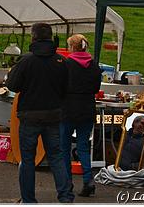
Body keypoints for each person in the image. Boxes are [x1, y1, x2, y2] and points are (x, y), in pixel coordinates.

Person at [6, 23, 73, 204]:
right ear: (51, 38)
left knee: (27, 159)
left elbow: (12, 85)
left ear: (33, 38)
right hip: (53, 115)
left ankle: (28, 199)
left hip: (29, 116)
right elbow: (68, 88)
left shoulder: (26, 61)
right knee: (56, 157)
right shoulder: (61, 62)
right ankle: (65, 196)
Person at [60, 34, 102, 197]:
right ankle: (88, 180)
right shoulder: (94, 65)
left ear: (72, 47)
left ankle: (67, 183)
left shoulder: (66, 64)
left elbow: (60, 86)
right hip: (87, 109)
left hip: (68, 109)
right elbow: (96, 88)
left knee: (64, 147)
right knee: (83, 146)